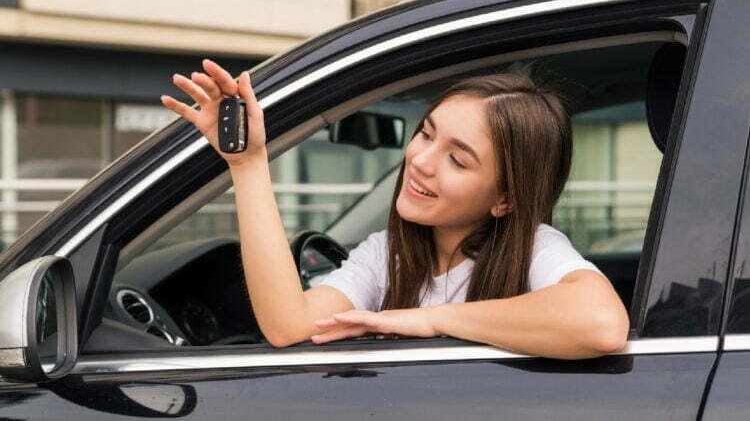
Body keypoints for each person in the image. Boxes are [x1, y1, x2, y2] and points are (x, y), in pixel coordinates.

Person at [161, 59, 630, 359]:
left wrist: (427, 320)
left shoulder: (535, 249)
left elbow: (602, 324)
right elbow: (289, 326)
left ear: (505, 199)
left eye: (457, 159)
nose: (419, 160)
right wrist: (247, 165)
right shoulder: (388, 254)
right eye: (425, 134)